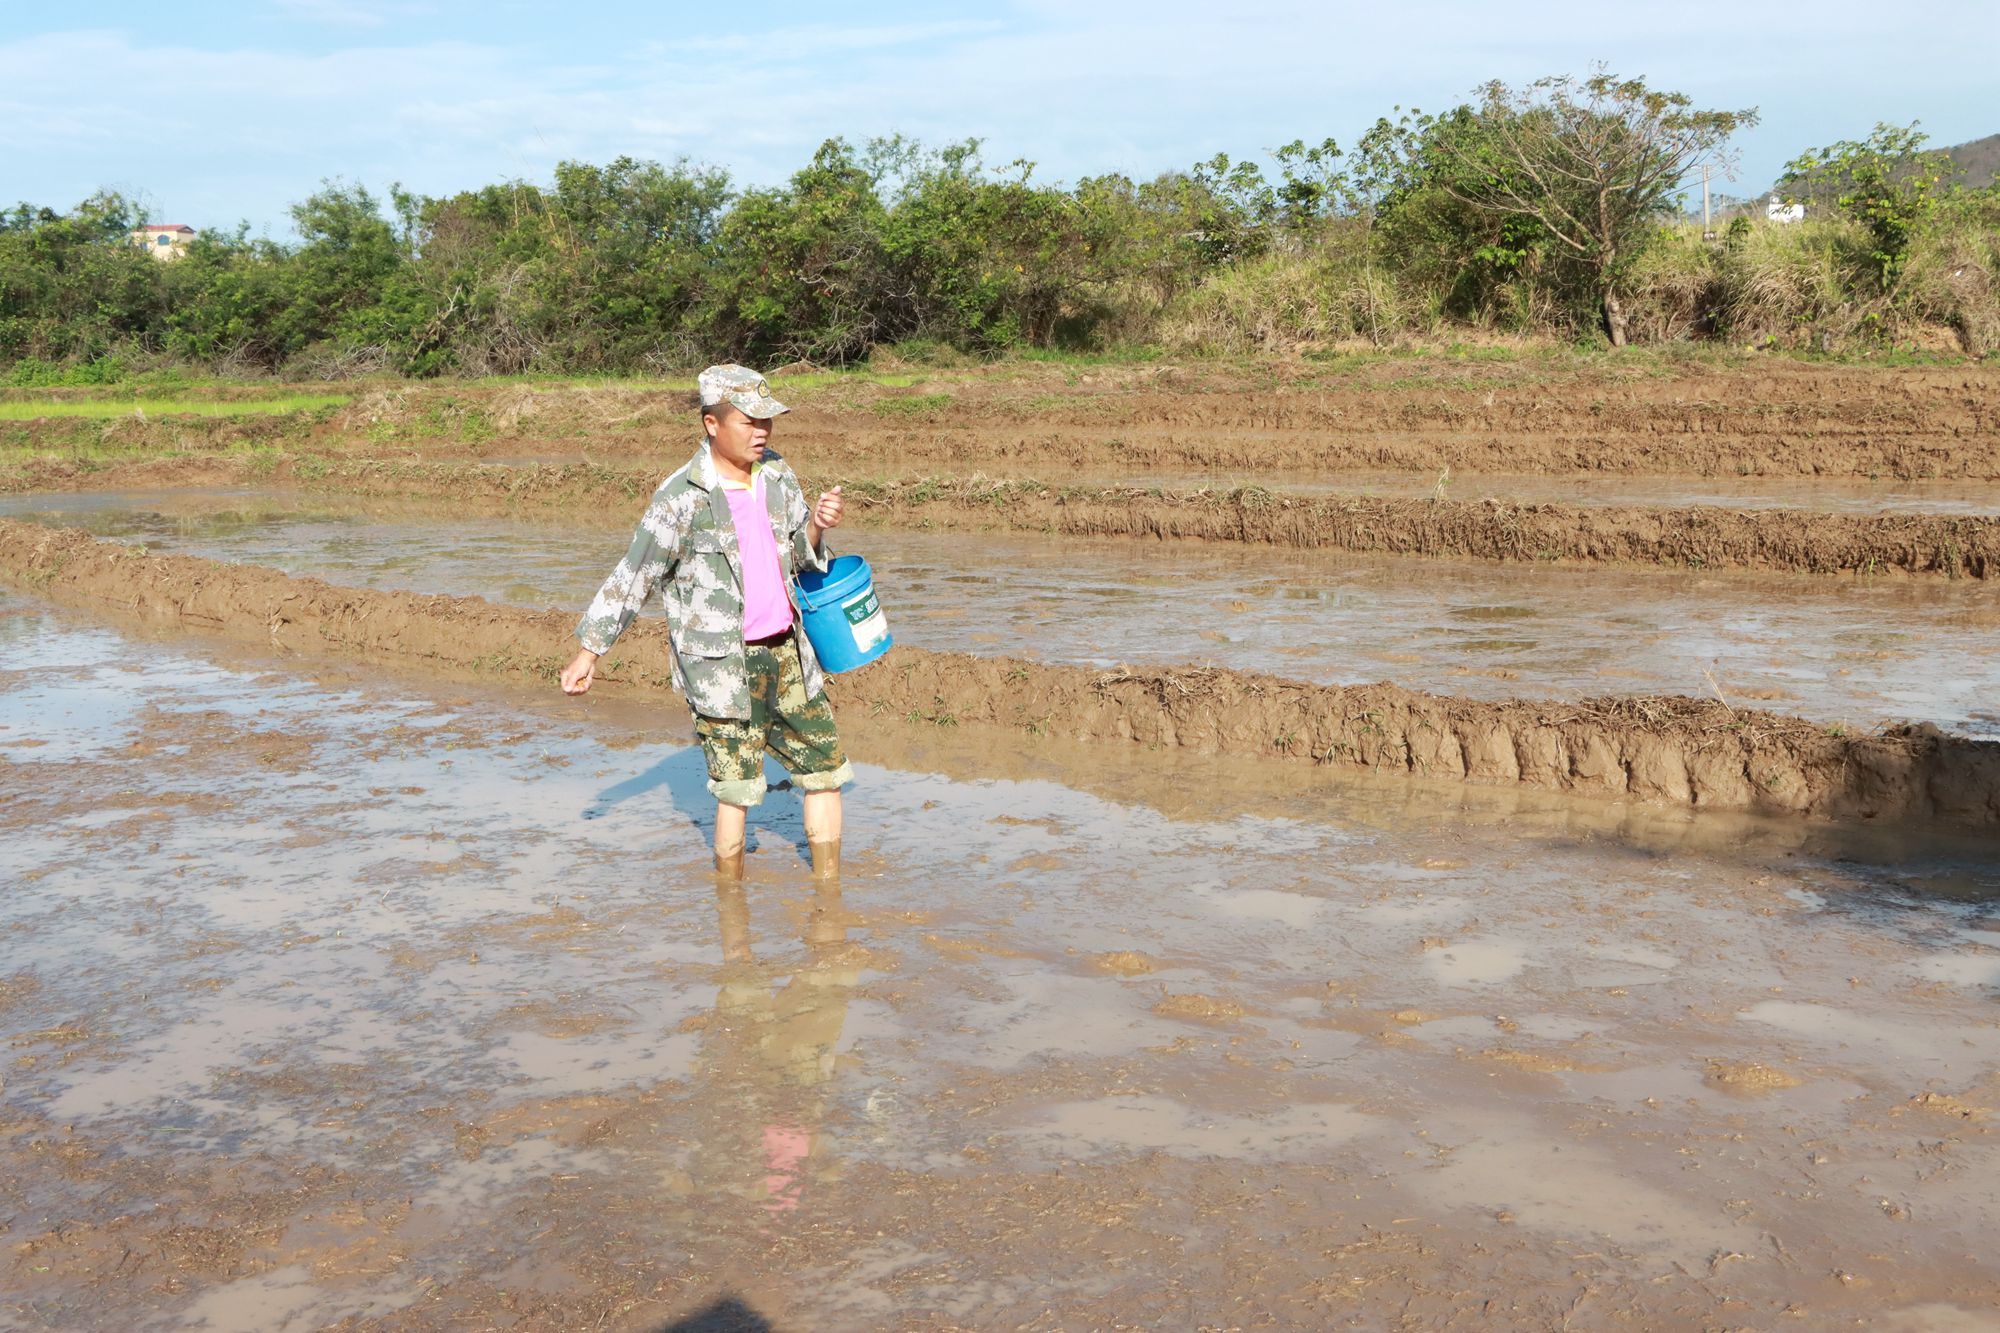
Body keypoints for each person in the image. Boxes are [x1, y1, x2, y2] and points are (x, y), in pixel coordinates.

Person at [559, 364, 851, 880]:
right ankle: (732, 922)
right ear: (712, 424)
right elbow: (634, 576)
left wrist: (817, 527)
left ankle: (830, 895)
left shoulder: (779, 476)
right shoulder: (680, 499)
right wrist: (590, 652)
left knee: (825, 771)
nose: (762, 432)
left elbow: (800, 560)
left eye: (768, 422)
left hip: (789, 653)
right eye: (749, 421)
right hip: (721, 667)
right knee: (736, 791)